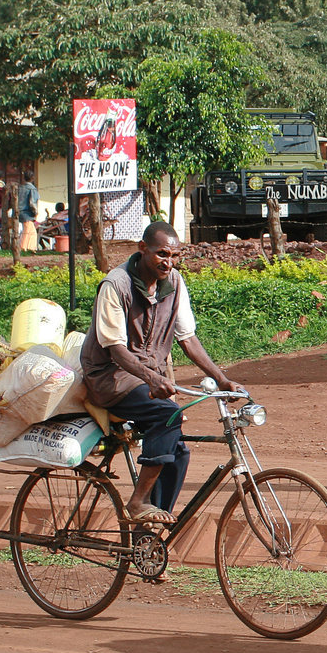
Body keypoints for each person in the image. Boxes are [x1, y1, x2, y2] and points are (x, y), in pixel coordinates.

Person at [78, 221, 244, 524]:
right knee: (167, 415)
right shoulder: (116, 284)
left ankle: (150, 533)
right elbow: (115, 349)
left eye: (174, 255)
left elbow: (187, 338)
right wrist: (153, 378)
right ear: (143, 249)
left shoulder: (175, 283)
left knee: (177, 452)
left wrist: (221, 378)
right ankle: (138, 502)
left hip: (147, 378)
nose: (169, 262)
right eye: (162, 254)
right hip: (110, 377)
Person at [16, 169, 40, 252]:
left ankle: (27, 248)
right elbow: (32, 203)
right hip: (27, 214)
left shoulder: (20, 188)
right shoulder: (32, 189)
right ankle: (25, 248)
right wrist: (35, 213)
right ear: (32, 178)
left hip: (18, 212)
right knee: (29, 232)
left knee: (26, 231)